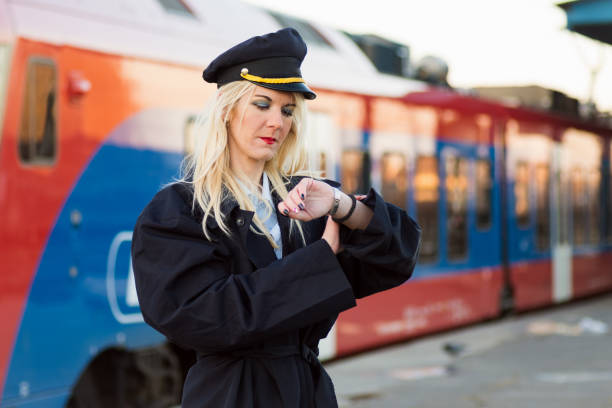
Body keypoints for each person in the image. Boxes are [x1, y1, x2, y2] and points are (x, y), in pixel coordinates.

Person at [131, 28, 421, 408]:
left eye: (287, 110)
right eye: (262, 104)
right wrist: (319, 260)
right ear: (228, 109)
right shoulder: (180, 211)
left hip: (308, 394)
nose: (277, 123)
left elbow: (397, 258)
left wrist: (342, 205)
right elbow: (204, 317)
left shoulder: (309, 200)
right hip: (231, 395)